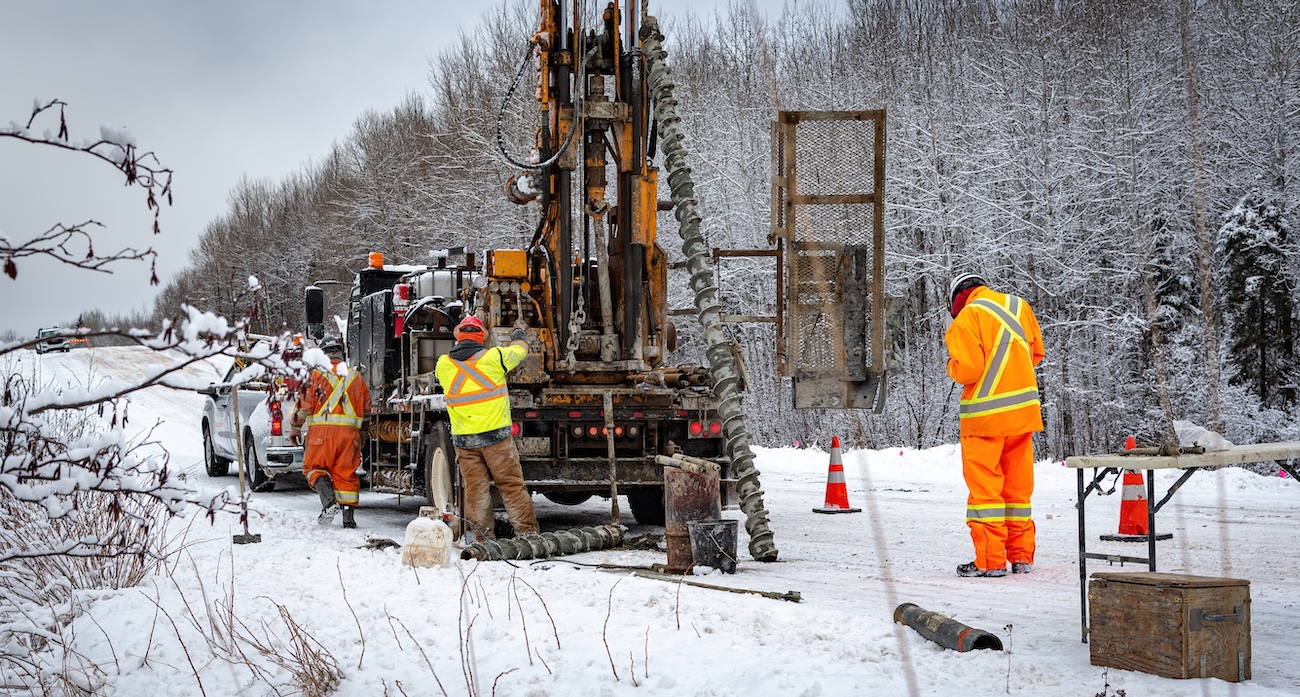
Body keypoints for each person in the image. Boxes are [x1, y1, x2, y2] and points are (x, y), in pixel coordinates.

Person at [944, 273, 1045, 578]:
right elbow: (1035, 354)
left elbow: (968, 370)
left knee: (986, 492)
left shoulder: (966, 319)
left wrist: (951, 366)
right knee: (1017, 490)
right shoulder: (1019, 307)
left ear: (956, 300)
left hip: (985, 419)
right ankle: (1022, 557)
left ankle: (990, 561)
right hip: (1022, 415)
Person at [436, 314, 539, 542]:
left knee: (476, 490)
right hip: (497, 439)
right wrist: (519, 332)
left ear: (457, 337)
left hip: (465, 442)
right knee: (511, 486)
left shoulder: (443, 365)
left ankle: (483, 539)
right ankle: (528, 535)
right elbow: (520, 351)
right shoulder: (495, 358)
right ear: (482, 338)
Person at [290, 335, 372, 529]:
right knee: (346, 474)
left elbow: (303, 406)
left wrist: (295, 427)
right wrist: (363, 433)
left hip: (321, 434)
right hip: (349, 435)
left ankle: (329, 503)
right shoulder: (356, 377)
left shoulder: (315, 376)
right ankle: (348, 519)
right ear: (340, 353)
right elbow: (367, 410)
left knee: (314, 469)